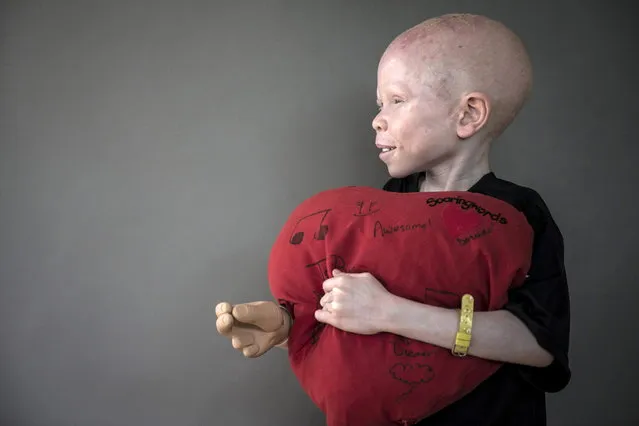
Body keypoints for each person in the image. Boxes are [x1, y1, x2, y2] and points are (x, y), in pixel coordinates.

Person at [216, 12, 570, 426]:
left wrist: (389, 312)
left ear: (468, 114)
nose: (377, 118)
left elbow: (539, 344)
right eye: (379, 104)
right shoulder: (379, 209)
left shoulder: (519, 215)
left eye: (397, 100)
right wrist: (286, 327)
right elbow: (351, 322)